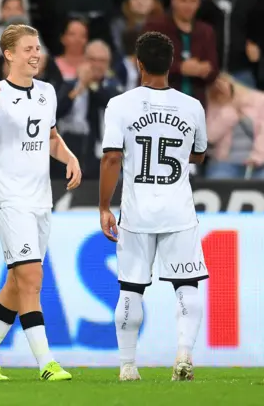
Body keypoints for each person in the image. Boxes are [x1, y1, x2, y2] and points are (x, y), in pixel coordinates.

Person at [0, 24, 82, 381]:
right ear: (9, 54)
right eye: (28, 49)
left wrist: (69, 157)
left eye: (38, 48)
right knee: (31, 276)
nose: (35, 55)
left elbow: (51, 137)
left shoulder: (47, 92)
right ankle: (46, 362)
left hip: (41, 200)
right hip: (10, 200)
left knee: (17, 283)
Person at [99, 31, 208, 382]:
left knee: (131, 288)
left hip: (137, 212)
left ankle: (128, 366)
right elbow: (200, 154)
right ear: (172, 64)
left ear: (138, 63)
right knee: (187, 285)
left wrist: (103, 206)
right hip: (178, 210)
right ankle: (184, 356)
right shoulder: (192, 106)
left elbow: (112, 157)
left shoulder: (120, 104)